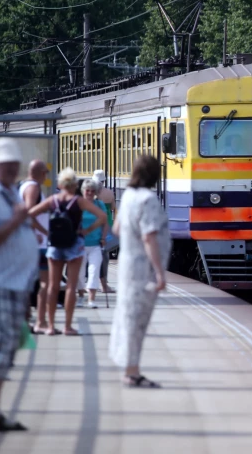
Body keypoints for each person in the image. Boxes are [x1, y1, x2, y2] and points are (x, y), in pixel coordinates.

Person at [109, 155, 171, 388]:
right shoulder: (147, 199)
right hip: (142, 269)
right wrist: (160, 273)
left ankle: (129, 368)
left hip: (127, 266)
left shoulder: (128, 196)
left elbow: (116, 228)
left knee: (127, 317)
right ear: (155, 175)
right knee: (136, 321)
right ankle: (131, 372)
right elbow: (149, 237)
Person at [28, 168, 106, 336]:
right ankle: (67, 327)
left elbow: (30, 214)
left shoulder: (52, 200)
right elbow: (102, 216)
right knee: (71, 286)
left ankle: (49, 326)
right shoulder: (79, 201)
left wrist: (45, 231)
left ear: (60, 184)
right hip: (74, 244)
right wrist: (87, 230)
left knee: (52, 286)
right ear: (74, 185)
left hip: (54, 244)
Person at [0, 138, 38, 431]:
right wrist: (15, 222)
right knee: (1, 351)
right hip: (2, 285)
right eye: (7, 166)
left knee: (9, 351)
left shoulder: (10, 193)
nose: (12, 170)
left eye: (14, 166)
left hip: (16, 285)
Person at [18, 160, 50, 334]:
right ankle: (41, 321)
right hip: (38, 244)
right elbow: (29, 212)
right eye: (45, 172)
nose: (46, 176)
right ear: (40, 172)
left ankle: (25, 320)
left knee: (26, 283)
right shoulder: (33, 188)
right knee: (46, 284)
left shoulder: (23, 186)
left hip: (30, 243)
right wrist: (42, 231)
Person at [76, 179, 107, 309]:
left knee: (94, 271)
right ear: (83, 191)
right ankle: (81, 297)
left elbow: (105, 223)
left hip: (95, 244)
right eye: (87, 190)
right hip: (80, 243)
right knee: (79, 273)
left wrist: (104, 238)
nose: (89, 193)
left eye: (92, 191)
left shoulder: (99, 205)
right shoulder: (77, 204)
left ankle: (91, 299)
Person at [92, 170, 116, 293]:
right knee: (104, 256)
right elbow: (112, 208)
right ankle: (104, 285)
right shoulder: (110, 193)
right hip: (107, 226)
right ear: (104, 181)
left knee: (91, 255)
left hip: (94, 225)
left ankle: (90, 283)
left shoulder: (92, 194)